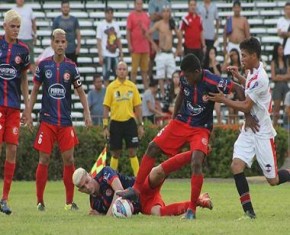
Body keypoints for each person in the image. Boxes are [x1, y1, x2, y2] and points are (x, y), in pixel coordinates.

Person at [118, 53, 248, 220]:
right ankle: (136, 189)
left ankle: (192, 210)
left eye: (188, 75)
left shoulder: (212, 80)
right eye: (183, 75)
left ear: (197, 71)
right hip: (181, 122)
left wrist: (245, 112)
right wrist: (173, 120)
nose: (185, 77)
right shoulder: (185, 77)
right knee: (152, 147)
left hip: (200, 128)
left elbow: (238, 89)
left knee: (196, 162)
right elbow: (181, 95)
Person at [208, 37, 290, 219]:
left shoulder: (260, 77)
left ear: (254, 55)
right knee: (236, 166)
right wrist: (239, 77)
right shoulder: (253, 72)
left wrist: (223, 100)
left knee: (273, 180)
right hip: (249, 128)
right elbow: (249, 88)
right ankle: (249, 213)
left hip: (262, 131)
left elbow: (246, 105)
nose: (242, 58)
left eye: (244, 55)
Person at [26, 28, 92, 211]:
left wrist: (86, 114)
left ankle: (69, 202)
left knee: (69, 160)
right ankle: (40, 201)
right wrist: (29, 114)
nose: (60, 45)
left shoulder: (71, 66)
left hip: (65, 122)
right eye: (57, 42)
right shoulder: (43, 65)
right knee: (44, 159)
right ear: (52, 43)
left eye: (63, 42)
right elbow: (34, 91)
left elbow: (80, 92)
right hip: (47, 120)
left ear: (66, 44)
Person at [72, 166, 212, 216]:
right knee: (159, 213)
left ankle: (193, 154)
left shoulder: (104, 173)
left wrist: (107, 217)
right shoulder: (94, 203)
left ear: (90, 175)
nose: (88, 187)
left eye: (87, 181)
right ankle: (199, 201)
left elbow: (119, 192)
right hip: (143, 205)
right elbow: (113, 211)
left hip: (141, 187)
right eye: (83, 187)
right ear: (80, 191)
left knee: (156, 172)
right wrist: (99, 215)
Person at [0, 9, 30, 215]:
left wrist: (27, 106)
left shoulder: (23, 50)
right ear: (5, 26)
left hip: (14, 108)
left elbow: (25, 79)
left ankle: (4, 198)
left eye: (18, 27)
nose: (16, 30)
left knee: (12, 150)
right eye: (13, 26)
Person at [103, 61, 144, 177]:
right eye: (119, 69)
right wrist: (105, 126)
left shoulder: (132, 86)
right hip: (115, 123)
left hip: (130, 122)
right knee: (115, 153)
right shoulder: (111, 87)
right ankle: (110, 178)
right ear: (116, 71)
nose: (122, 71)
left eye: (124, 69)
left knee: (132, 151)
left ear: (127, 72)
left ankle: (138, 178)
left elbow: (138, 106)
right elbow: (106, 107)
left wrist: (140, 124)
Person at [146, 5, 182, 98]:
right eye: (164, 11)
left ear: (170, 13)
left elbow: (179, 36)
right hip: (161, 52)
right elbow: (148, 34)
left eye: (168, 11)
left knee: (173, 76)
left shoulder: (172, 23)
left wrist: (177, 50)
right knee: (160, 76)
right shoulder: (159, 23)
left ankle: (172, 94)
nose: (166, 13)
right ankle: (162, 96)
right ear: (162, 13)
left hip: (170, 52)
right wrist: (154, 44)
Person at [126, 0, 150, 89]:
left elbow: (148, 31)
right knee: (134, 70)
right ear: (135, 4)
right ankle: (131, 89)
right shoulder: (131, 16)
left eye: (141, 3)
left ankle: (146, 90)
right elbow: (128, 31)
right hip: (135, 47)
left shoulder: (146, 16)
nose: (139, 5)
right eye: (138, 4)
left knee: (145, 70)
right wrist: (129, 45)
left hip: (145, 47)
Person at [97, 7, 123, 87]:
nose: (110, 15)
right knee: (106, 75)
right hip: (106, 53)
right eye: (108, 13)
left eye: (111, 13)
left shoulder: (116, 25)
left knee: (117, 75)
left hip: (115, 54)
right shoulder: (101, 25)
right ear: (105, 14)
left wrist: (121, 53)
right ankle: (107, 93)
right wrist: (100, 55)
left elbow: (118, 40)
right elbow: (99, 41)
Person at [52, 0, 81, 64]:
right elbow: (53, 35)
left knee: (72, 67)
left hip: (72, 48)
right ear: (61, 8)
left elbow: (78, 33)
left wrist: (78, 47)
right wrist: (53, 47)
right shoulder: (57, 20)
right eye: (64, 7)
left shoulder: (74, 19)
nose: (65, 9)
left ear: (69, 8)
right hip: (60, 48)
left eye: (67, 7)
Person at [147, 0, 171, 78]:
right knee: (152, 58)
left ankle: (165, 81)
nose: (164, 13)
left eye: (165, 11)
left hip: (164, 37)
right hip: (154, 36)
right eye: (164, 11)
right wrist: (163, 16)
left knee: (165, 59)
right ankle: (150, 78)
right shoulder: (152, 2)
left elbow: (169, 17)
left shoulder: (166, 2)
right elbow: (152, 17)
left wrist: (158, 15)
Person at [13, 0, 37, 73]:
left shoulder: (29, 8)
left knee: (31, 61)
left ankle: (36, 81)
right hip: (17, 39)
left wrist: (35, 34)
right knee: (17, 61)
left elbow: (33, 22)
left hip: (28, 38)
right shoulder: (13, 9)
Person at [271, 43, 290, 127]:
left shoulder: (286, 61)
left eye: (282, 49)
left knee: (287, 109)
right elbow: (273, 77)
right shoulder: (274, 62)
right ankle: (274, 129)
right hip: (278, 87)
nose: (282, 51)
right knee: (276, 111)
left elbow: (289, 76)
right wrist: (284, 77)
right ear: (276, 50)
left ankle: (287, 129)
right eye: (280, 49)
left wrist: (279, 76)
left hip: (285, 86)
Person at [222, 48, 243, 124]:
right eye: (232, 55)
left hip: (238, 90)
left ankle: (236, 126)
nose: (234, 56)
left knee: (236, 109)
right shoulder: (229, 66)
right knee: (230, 110)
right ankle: (230, 126)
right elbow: (223, 69)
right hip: (230, 90)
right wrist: (227, 56)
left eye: (235, 54)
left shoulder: (242, 67)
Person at [203, 47, 222, 124]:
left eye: (213, 53)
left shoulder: (217, 65)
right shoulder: (205, 64)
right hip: (207, 89)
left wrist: (214, 64)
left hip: (216, 90)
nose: (212, 55)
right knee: (207, 110)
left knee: (218, 110)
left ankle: (220, 125)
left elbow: (218, 76)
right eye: (211, 53)